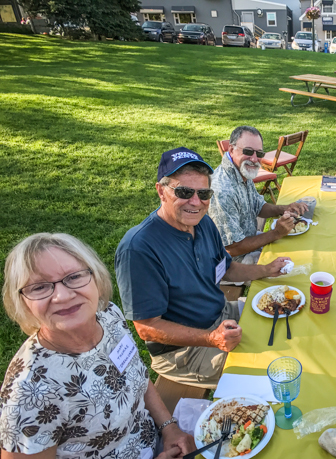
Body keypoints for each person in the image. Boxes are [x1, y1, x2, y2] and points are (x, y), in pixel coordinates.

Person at [0, 233, 195, 458]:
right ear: (22, 301)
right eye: (40, 287)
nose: (62, 296)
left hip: (157, 442)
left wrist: (169, 427)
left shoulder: (107, 315)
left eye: (73, 277)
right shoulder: (29, 393)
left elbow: (138, 375)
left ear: (96, 278)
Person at [115, 147, 289, 389]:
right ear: (161, 191)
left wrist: (267, 270)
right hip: (185, 350)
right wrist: (211, 338)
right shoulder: (138, 249)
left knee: (286, 321)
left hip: (221, 316)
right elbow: (146, 328)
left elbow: (226, 269)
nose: (196, 202)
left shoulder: (203, 222)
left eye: (204, 193)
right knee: (273, 374)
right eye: (184, 192)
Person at [209, 126, 308, 264]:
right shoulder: (223, 191)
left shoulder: (241, 171)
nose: (255, 159)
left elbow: (258, 206)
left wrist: (284, 209)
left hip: (249, 242)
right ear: (231, 150)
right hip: (233, 263)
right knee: (298, 263)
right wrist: (275, 233)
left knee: (300, 245)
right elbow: (231, 249)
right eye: (248, 151)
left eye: (259, 154)